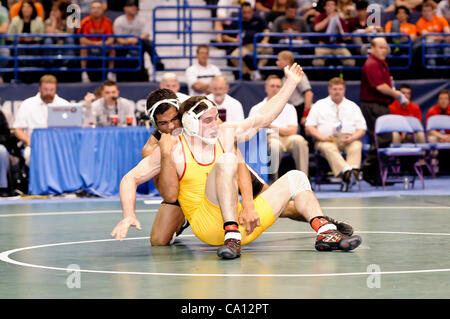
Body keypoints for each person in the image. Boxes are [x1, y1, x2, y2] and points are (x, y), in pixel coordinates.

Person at [111, 63, 362, 258]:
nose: (170, 127)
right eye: (163, 124)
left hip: (234, 205)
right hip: (202, 213)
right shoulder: (164, 147)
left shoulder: (216, 128)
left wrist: (291, 83)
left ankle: (324, 228)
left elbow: (260, 119)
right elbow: (154, 187)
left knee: (290, 181)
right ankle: (224, 231)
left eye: (174, 120)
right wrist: (128, 214)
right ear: (155, 124)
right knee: (160, 237)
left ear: (183, 115)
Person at [360, 37, 409, 186]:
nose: (384, 50)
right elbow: (380, 87)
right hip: (373, 106)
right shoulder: (372, 64)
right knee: (380, 140)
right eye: (381, 47)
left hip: (381, 105)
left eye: (385, 47)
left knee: (384, 140)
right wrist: (399, 95)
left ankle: (376, 176)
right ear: (372, 49)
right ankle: (365, 171)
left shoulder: (382, 64)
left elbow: (385, 84)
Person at [305, 77, 367, 192]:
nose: (337, 91)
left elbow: (362, 129)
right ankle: (348, 173)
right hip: (326, 139)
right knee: (329, 148)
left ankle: (347, 176)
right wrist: (321, 137)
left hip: (348, 138)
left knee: (357, 145)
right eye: (334, 89)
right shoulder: (319, 105)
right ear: (329, 89)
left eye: (340, 89)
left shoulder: (353, 106)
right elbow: (309, 126)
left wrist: (353, 137)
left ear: (344, 90)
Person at [249, 75, 309, 181]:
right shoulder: (257, 108)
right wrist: (276, 130)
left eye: (278, 86)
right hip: (268, 138)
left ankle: (303, 180)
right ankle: (273, 181)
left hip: (288, 138)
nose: (275, 89)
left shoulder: (290, 108)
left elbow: (293, 130)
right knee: (275, 145)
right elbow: (252, 131)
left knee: (300, 141)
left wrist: (270, 125)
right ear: (266, 88)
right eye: (272, 86)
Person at [13, 74, 70, 166]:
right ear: (39, 88)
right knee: (31, 156)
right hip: (34, 145)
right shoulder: (27, 104)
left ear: (55, 89)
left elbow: (71, 129)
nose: (48, 93)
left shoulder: (65, 105)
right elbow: (18, 130)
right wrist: (29, 140)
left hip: (59, 146)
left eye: (51, 90)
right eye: (45, 90)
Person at [113, 0, 164, 79]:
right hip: (123, 44)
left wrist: (136, 39)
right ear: (125, 8)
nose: (134, 8)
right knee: (116, 48)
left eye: (135, 6)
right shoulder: (119, 21)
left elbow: (146, 34)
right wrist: (127, 41)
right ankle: (114, 72)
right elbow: (118, 39)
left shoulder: (142, 20)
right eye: (131, 6)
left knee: (148, 43)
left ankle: (157, 62)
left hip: (138, 43)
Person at [221, 1, 272, 80]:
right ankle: (249, 72)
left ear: (252, 11)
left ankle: (258, 70)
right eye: (245, 12)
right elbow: (224, 36)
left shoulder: (258, 19)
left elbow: (267, 30)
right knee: (234, 57)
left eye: (249, 12)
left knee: (269, 49)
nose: (247, 14)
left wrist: (265, 39)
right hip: (244, 46)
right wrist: (234, 40)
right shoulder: (237, 21)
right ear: (241, 12)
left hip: (257, 45)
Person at [275, 50, 313, 135]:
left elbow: (309, 94)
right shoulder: (284, 77)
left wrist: (305, 114)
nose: (277, 62)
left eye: (279, 60)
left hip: (300, 109)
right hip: (290, 109)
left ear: (287, 61)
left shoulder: (297, 73)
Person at [78, 0, 116, 83]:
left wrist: (102, 44)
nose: (96, 10)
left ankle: (110, 74)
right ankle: (84, 74)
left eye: (98, 8)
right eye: (93, 8)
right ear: (90, 10)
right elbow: (82, 39)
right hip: (90, 47)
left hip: (103, 47)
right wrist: (95, 44)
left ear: (102, 10)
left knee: (112, 48)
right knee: (83, 48)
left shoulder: (107, 21)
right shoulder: (85, 22)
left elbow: (111, 39)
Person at [312, 0, 355, 67]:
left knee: (350, 62)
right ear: (324, 7)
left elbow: (346, 36)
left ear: (335, 7)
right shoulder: (320, 17)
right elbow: (316, 28)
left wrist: (340, 32)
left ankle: (343, 76)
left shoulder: (340, 19)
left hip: (338, 45)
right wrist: (328, 18)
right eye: (328, 5)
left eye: (332, 5)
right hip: (324, 45)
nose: (331, 7)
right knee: (317, 63)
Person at [416, 1, 450, 66]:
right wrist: (443, 37)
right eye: (424, 11)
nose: (426, 13)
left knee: (448, 41)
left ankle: (447, 61)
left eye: (428, 11)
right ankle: (432, 66)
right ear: (422, 12)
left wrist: (446, 37)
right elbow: (427, 36)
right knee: (430, 41)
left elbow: (448, 32)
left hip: (441, 43)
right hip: (429, 46)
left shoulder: (441, 19)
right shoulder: (419, 22)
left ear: (433, 11)